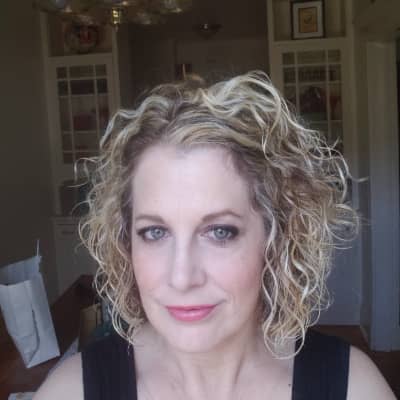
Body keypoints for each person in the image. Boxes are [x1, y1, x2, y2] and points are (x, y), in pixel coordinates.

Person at [34, 71, 395, 400]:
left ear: (277, 238)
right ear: (125, 241)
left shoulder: (353, 388)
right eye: (154, 232)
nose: (182, 277)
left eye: (220, 232)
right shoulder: (70, 392)